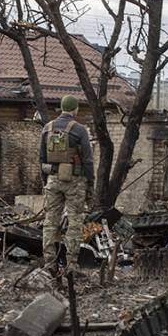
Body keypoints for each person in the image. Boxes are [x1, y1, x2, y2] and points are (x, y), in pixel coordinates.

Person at [40, 95, 94, 276]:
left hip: (52, 179)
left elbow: (41, 158)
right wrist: (90, 182)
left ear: (61, 109)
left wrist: (45, 181)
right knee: (74, 222)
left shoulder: (47, 129)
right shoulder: (79, 130)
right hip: (75, 181)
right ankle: (71, 265)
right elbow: (87, 159)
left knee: (50, 223)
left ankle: (49, 264)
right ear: (75, 110)